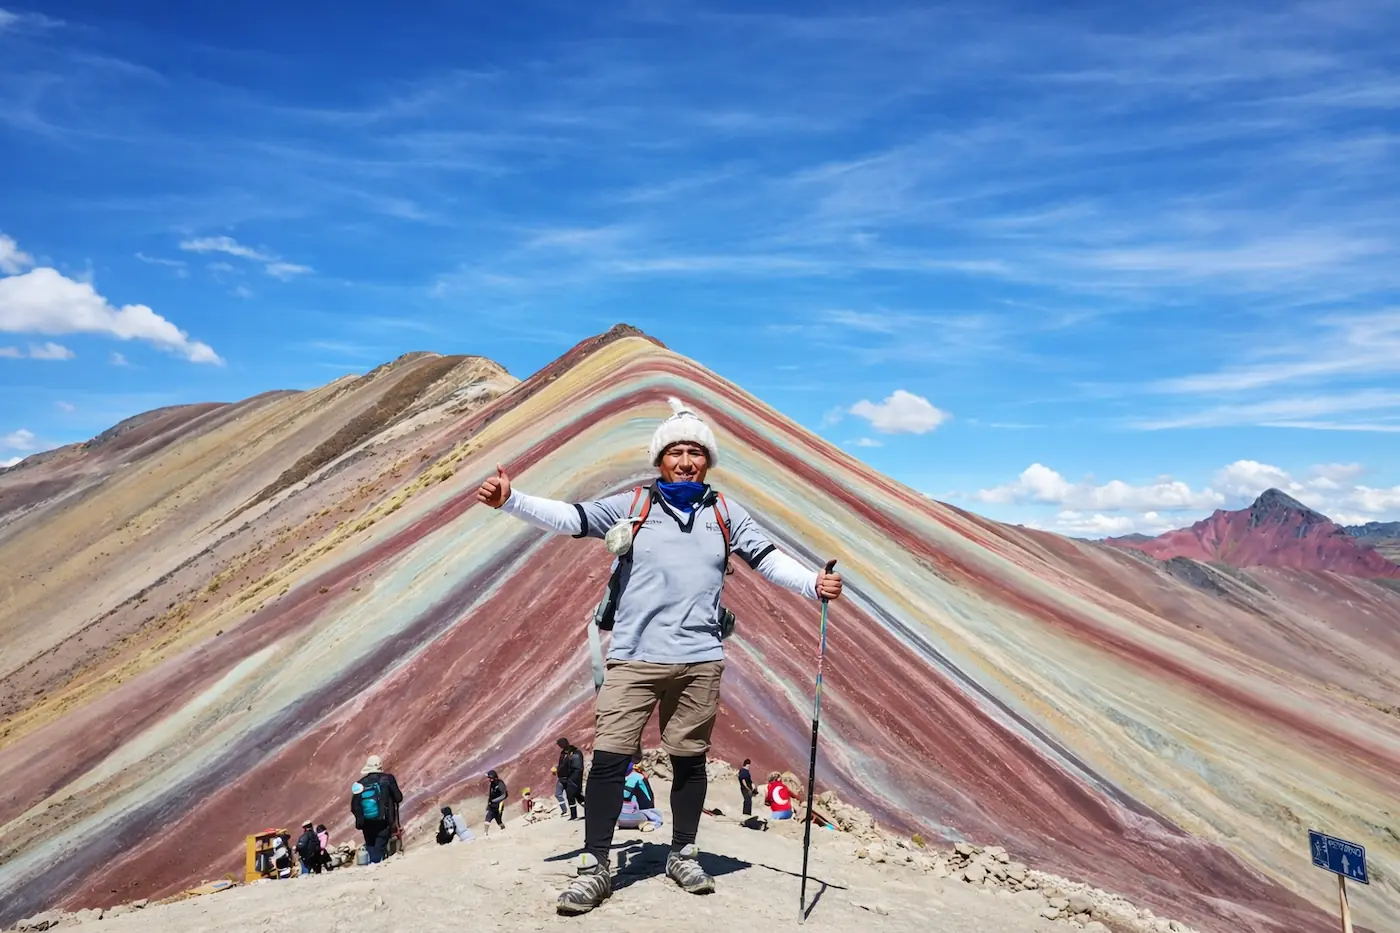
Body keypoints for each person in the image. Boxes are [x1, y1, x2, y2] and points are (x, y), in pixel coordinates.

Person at [478, 396, 843, 915]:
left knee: (689, 761)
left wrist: (813, 584)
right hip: (634, 656)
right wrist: (511, 500)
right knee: (608, 760)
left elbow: (767, 559)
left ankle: (683, 853)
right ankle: (595, 867)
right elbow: (572, 518)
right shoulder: (633, 505)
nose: (687, 461)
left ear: (708, 461)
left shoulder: (723, 512)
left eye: (697, 452)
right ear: (660, 459)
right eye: (677, 452)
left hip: (700, 658)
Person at [351, 754, 403, 864]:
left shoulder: (360, 784)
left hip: (367, 823)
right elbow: (398, 798)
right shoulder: (388, 779)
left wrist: (362, 818)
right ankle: (377, 868)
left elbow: (354, 806)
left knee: (371, 846)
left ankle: (374, 865)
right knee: (380, 846)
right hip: (384, 821)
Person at [623, 763, 663, 832]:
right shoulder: (639, 777)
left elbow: (626, 795)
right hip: (636, 814)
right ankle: (644, 823)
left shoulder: (636, 778)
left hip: (630, 813)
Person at [554, 737, 585, 820]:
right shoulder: (563, 753)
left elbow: (578, 768)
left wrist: (572, 779)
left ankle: (587, 812)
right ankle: (574, 815)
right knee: (573, 796)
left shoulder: (575, 753)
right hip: (564, 778)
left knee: (574, 795)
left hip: (573, 778)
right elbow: (563, 765)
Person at [485, 770, 508, 834]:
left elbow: (505, 795)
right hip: (492, 806)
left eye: (489, 778)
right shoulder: (492, 784)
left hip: (498, 806)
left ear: (492, 778)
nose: (488, 779)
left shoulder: (500, 783)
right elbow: (491, 796)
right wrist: (489, 804)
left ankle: (503, 828)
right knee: (488, 818)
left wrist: (495, 801)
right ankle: (485, 833)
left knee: (498, 821)